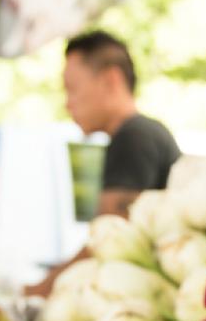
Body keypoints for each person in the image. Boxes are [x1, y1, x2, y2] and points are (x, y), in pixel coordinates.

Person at [25, 30, 180, 295]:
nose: (68, 104)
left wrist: (40, 289)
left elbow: (107, 240)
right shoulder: (143, 133)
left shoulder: (134, 137)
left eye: (72, 89)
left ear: (111, 80)